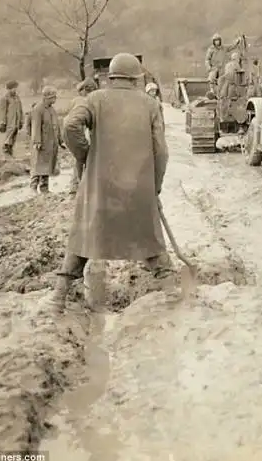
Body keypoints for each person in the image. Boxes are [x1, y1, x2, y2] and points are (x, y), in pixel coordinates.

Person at [47, 52, 174, 314]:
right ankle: (173, 292)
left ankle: (58, 297)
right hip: (138, 186)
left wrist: (86, 155)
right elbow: (161, 151)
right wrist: (155, 185)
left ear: (111, 76)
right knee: (148, 239)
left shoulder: (95, 99)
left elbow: (70, 126)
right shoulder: (150, 104)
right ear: (136, 78)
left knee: (84, 236)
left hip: (99, 185)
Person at [29, 86, 64, 194]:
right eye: (53, 97)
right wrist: (37, 141)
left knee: (48, 165)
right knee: (38, 164)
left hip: (51, 142)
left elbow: (56, 126)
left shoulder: (51, 109)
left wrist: (60, 140)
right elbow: (35, 126)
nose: (55, 100)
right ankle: (33, 187)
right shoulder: (38, 109)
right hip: (42, 142)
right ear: (46, 97)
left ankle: (44, 188)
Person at [66, 78, 98, 195]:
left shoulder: (75, 101)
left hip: (77, 134)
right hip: (83, 133)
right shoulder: (86, 102)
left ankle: (75, 186)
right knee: (86, 160)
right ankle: (81, 186)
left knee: (78, 160)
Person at [0, 80, 24, 157]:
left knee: (14, 137)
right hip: (9, 121)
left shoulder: (17, 97)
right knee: (8, 137)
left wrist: (21, 120)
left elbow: (20, 109)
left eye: (16, 88)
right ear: (9, 89)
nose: (15, 90)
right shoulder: (5, 98)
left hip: (16, 120)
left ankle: (10, 152)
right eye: (13, 88)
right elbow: (2, 111)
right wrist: (2, 122)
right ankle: (6, 152)